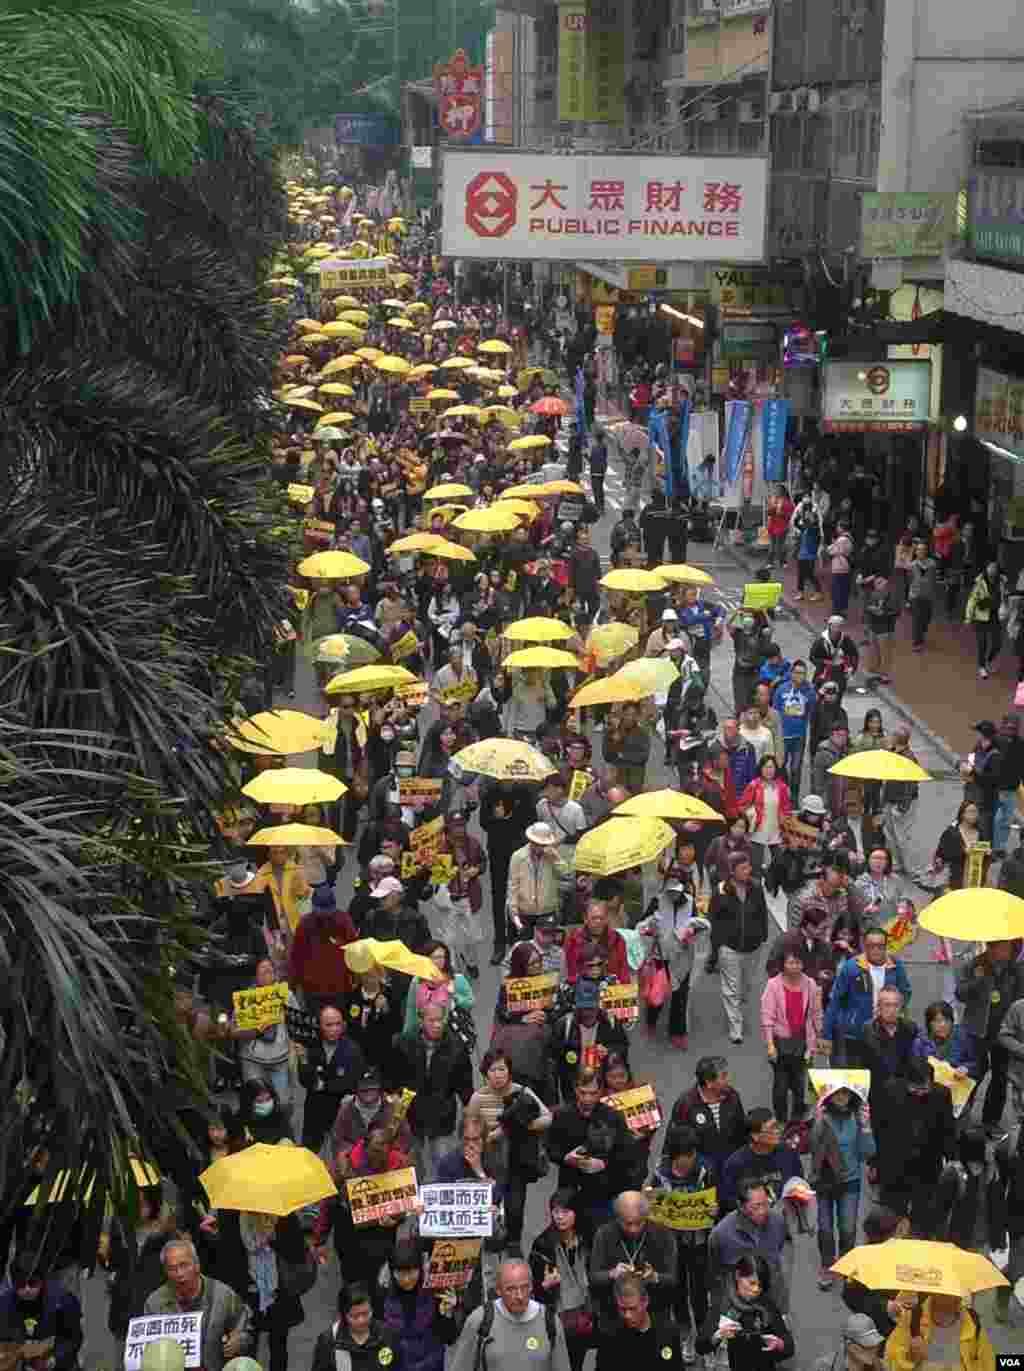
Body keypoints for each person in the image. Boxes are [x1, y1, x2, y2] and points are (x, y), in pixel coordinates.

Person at [466, 1049, 553, 1254]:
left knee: (515, 1207)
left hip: (517, 1160)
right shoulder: (478, 1098)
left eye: (502, 1069)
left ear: (509, 1072)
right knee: (490, 1206)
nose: (498, 1074)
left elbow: (548, 1117)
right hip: (490, 1161)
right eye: (493, 1069)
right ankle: (491, 1243)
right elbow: (469, 1126)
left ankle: (514, 1245)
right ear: (485, 1073)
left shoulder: (523, 1091)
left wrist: (521, 1126)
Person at [647, 1126, 715, 1362]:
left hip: (697, 1244)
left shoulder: (705, 1170)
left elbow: (716, 1201)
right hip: (670, 1246)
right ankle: (685, 1336)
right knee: (676, 1292)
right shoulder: (660, 1173)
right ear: (675, 1155)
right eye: (686, 1156)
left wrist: (713, 1209)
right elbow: (650, 1199)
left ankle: (705, 1344)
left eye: (693, 1154)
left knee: (699, 1295)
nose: (690, 1160)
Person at [387, 1001, 474, 1181]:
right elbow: (392, 1075)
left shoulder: (456, 1046)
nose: (437, 1024)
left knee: (443, 1163)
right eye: (431, 1020)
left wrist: (468, 1110)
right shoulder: (404, 1042)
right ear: (421, 1020)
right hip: (410, 1113)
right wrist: (393, 1096)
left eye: (440, 1020)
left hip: (442, 1115)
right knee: (412, 1164)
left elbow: (465, 1084)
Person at [547, 1069, 634, 1241]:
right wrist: (565, 1158)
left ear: (601, 1091)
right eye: (583, 1093)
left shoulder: (612, 1117)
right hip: (569, 1190)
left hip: (602, 1192)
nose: (587, 1099)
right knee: (567, 1241)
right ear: (575, 1089)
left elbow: (627, 1155)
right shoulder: (562, 1115)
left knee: (598, 1240)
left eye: (593, 1093)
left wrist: (604, 1164)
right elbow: (550, 1148)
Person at [873, 1057, 956, 1237]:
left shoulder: (942, 1094)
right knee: (891, 1216)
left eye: (924, 1089)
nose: (920, 1093)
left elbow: (948, 1129)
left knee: (924, 1216)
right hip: (895, 1163)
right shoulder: (889, 1091)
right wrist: (875, 1162)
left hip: (928, 1163)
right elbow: (879, 1128)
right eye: (915, 1089)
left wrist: (952, 1159)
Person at [144, 1238, 251, 1371]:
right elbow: (146, 1349)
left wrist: (239, 1340)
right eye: (172, 1268)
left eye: (184, 1265)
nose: (179, 1274)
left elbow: (246, 1328)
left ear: (197, 1265)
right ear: (165, 1272)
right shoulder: (154, 1303)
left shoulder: (223, 1295)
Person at [448, 1259, 570, 1371]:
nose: (519, 1296)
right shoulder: (479, 1321)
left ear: (532, 1286)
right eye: (511, 1289)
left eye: (524, 1287)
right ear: (498, 1290)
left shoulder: (550, 1322)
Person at [809, 1086, 875, 1291]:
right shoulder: (822, 1116)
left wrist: (865, 1127)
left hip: (850, 1181)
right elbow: (810, 1147)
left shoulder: (857, 1117)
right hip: (825, 1182)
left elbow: (867, 1153)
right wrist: (817, 1123)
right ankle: (827, 1265)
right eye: (837, 1093)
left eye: (846, 1093)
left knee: (847, 1229)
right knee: (825, 1229)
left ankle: (846, 1264)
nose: (841, 1098)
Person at [956, 939, 1024, 1136]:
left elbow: (1020, 1000)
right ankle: (962, 1114)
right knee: (973, 1072)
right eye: (1001, 946)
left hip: (1004, 1033)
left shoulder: (1016, 969)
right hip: (977, 1030)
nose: (1007, 950)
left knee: (1000, 1077)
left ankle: (991, 1122)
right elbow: (960, 993)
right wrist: (977, 980)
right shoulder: (975, 964)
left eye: (1009, 946)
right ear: (992, 946)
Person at [636, 869, 709, 1050]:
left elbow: (702, 926)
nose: (672, 893)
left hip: (683, 958)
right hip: (660, 957)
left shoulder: (691, 903)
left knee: (680, 996)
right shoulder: (657, 901)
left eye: (676, 888)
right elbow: (640, 926)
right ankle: (651, 1023)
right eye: (670, 886)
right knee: (656, 993)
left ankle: (677, 1033)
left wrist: (693, 930)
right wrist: (649, 926)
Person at [822, 925, 913, 1069]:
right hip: (855, 1035)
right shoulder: (851, 967)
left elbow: (905, 992)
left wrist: (896, 1011)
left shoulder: (896, 966)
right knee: (856, 1080)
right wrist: (826, 1034)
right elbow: (835, 1001)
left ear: (886, 946)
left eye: (880, 946)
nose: (876, 950)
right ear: (865, 946)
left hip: (885, 1035)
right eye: (871, 946)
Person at [589, 1191, 678, 1335]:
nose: (633, 1229)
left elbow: (673, 1279)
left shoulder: (663, 1234)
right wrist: (612, 1274)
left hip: (655, 1314)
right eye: (627, 1224)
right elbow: (593, 1277)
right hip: (614, 1316)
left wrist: (655, 1277)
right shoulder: (604, 1234)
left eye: (639, 1223)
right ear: (617, 1218)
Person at [759, 934, 823, 1124]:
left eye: (798, 963)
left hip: (802, 1043)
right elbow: (767, 1017)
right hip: (780, 1044)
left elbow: (815, 1013)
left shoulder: (811, 985)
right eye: (791, 963)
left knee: (798, 1085)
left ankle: (795, 1124)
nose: (795, 967)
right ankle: (780, 1121)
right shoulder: (773, 985)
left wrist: (819, 1038)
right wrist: (770, 1044)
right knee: (780, 1086)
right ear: (783, 964)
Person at [529, 1190, 594, 1371]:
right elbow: (531, 1288)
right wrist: (545, 1285)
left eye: (565, 1211)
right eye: (555, 1211)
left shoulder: (587, 1240)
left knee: (576, 1363)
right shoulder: (542, 1244)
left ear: (577, 1212)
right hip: (555, 1316)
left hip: (583, 1316)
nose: (559, 1217)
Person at [710, 852, 769, 1046]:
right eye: (743, 868)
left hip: (753, 948)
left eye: (748, 866)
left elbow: (762, 914)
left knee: (746, 987)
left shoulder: (756, 887)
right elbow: (714, 920)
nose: (747, 871)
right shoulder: (721, 890)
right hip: (729, 948)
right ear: (732, 870)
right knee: (731, 989)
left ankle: (738, 1007)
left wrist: (763, 937)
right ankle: (736, 1028)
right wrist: (717, 947)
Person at [697, 1253, 792, 1371]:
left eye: (760, 1285)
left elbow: (789, 1346)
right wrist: (718, 1335)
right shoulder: (722, 1306)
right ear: (737, 1276)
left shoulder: (766, 1306)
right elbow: (700, 1346)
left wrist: (779, 1344)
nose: (756, 1289)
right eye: (752, 1283)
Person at [706, 1182, 790, 1316]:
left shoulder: (778, 1221)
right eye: (756, 1206)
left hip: (774, 1303)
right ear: (741, 1206)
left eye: (765, 1204)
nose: (763, 1211)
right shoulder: (721, 1235)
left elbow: (777, 1252)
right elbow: (715, 1273)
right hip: (739, 1309)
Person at [298, 1003, 366, 1154]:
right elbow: (304, 1081)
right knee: (309, 1154)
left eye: (338, 1024)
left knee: (342, 1156)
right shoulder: (310, 1045)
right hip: (314, 1110)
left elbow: (353, 1082)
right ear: (319, 1025)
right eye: (329, 1025)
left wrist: (323, 1086)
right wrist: (302, 1060)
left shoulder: (352, 1049)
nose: (334, 1029)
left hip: (342, 1111)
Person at [381, 1242, 458, 1371]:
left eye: (411, 1272)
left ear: (420, 1269)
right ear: (392, 1271)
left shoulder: (435, 1292)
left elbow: (450, 1338)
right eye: (400, 1273)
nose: (406, 1279)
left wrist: (448, 1313)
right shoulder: (382, 1296)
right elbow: (381, 1344)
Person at [668, 1056, 748, 1182]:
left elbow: (741, 1130)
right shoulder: (685, 1104)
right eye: (723, 1076)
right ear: (709, 1083)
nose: (728, 1079)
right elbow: (677, 1141)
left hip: (730, 1165)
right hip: (702, 1172)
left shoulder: (732, 1096)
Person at [552, 979, 630, 1101]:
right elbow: (554, 1060)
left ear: (598, 1005)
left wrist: (609, 1052)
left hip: (602, 1084)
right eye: (584, 1008)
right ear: (577, 1007)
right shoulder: (564, 1025)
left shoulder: (611, 1022)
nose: (588, 1013)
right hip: (573, 1086)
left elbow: (623, 1048)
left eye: (592, 1008)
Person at [0, 1256, 83, 1371]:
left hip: (53, 1359)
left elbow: (74, 1339)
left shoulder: (63, 1301)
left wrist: (53, 1360)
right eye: (21, 1284)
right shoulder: (4, 1304)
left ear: (41, 1281)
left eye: (32, 1283)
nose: (27, 1289)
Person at [718, 1110, 804, 1215]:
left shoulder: (788, 1153)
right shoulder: (735, 1164)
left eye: (777, 1126)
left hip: (787, 1218)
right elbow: (729, 1201)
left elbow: (799, 1182)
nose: (778, 1131)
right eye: (772, 1128)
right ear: (755, 1136)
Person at [882, 1292, 995, 1371]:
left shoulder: (972, 1322)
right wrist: (909, 1357)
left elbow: (988, 1364)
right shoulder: (913, 1319)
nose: (959, 1296)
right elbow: (889, 1364)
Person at [287, 892, 357, 1016]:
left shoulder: (344, 921)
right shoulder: (305, 924)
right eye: (321, 911)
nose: (325, 915)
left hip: (339, 988)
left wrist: (355, 978)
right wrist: (291, 986)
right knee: (318, 1025)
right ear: (313, 907)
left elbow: (354, 951)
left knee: (337, 1024)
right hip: (314, 990)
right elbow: (296, 957)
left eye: (327, 911)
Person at [594, 1272, 679, 1371]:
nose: (627, 1315)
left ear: (645, 1301)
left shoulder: (668, 1334)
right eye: (622, 1309)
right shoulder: (609, 1337)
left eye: (633, 1309)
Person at [310, 1283, 403, 1371]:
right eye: (354, 1316)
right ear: (343, 1316)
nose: (361, 1320)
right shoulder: (329, 1342)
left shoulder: (387, 1335)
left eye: (366, 1313)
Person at [507, 822, 562, 937]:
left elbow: (566, 875)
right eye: (537, 844)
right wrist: (514, 913)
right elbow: (513, 886)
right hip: (525, 911)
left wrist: (557, 860)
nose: (540, 848)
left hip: (547, 911)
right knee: (525, 949)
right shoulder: (518, 856)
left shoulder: (552, 856)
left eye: (543, 845)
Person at [738, 756, 792, 875]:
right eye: (766, 767)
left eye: (771, 767)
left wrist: (785, 826)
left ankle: (776, 889)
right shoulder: (753, 785)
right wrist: (751, 813)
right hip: (758, 831)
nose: (769, 770)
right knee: (755, 866)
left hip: (776, 831)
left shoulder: (782, 787)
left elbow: (786, 808)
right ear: (761, 769)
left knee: (780, 864)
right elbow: (742, 806)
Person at [773, 661, 815, 801]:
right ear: (791, 673)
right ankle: (784, 793)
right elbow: (775, 711)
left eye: (802, 673)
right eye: (797, 672)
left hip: (799, 736)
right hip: (783, 735)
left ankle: (794, 798)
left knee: (796, 768)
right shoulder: (781, 689)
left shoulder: (808, 691)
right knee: (781, 766)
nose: (799, 676)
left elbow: (811, 710)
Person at [564, 898, 631, 985]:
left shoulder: (617, 940)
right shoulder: (573, 940)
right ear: (585, 918)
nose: (598, 922)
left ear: (607, 918)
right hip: (582, 992)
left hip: (613, 992)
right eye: (594, 918)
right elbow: (570, 974)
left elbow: (624, 974)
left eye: (601, 918)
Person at [809, 616, 859, 700]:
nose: (836, 629)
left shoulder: (845, 639)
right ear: (829, 626)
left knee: (837, 698)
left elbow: (854, 655)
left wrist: (852, 668)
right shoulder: (821, 641)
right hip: (824, 673)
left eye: (839, 626)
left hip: (839, 673)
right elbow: (812, 657)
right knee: (819, 697)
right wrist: (824, 663)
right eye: (834, 626)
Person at [907, 538, 938, 652]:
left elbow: (934, 580)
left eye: (923, 550)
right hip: (915, 596)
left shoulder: (932, 564)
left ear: (926, 551)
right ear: (916, 552)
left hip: (928, 596)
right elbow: (909, 581)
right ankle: (917, 642)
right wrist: (909, 597)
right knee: (917, 619)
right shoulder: (912, 565)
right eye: (919, 550)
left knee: (926, 618)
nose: (921, 552)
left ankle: (922, 631)